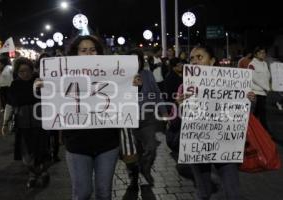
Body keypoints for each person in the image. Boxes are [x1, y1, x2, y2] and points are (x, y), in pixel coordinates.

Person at [175, 45, 255, 200]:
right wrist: (181, 106)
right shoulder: (185, 87)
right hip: (198, 145)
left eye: (200, 57)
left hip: (225, 145)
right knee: (204, 193)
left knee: (234, 193)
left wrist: (250, 101)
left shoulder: (232, 83)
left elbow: (244, 116)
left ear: (211, 61)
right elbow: (180, 122)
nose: (195, 62)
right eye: (192, 58)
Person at [55, 35, 119, 200]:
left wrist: (135, 86)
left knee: (104, 193)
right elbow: (53, 101)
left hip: (107, 143)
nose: (89, 53)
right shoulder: (63, 77)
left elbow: (125, 96)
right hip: (78, 144)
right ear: (75, 54)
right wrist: (42, 87)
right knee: (82, 193)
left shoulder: (112, 74)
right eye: (83, 50)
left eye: (93, 50)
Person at [1, 57, 50, 188]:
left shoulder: (40, 81)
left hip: (41, 123)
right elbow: (10, 105)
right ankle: (33, 174)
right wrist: (5, 122)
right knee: (26, 155)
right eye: (21, 71)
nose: (25, 74)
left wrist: (45, 87)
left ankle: (43, 172)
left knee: (43, 151)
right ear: (17, 72)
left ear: (31, 69)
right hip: (23, 125)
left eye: (27, 70)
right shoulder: (15, 85)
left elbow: (52, 99)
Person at [125, 49, 168, 190]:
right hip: (128, 120)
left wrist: (164, 113)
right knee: (132, 153)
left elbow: (157, 94)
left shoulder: (148, 75)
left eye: (136, 60)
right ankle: (134, 175)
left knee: (151, 147)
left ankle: (145, 168)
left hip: (147, 119)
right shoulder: (122, 76)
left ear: (140, 61)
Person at [248, 46, 270, 130]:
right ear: (256, 54)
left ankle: (253, 132)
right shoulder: (252, 64)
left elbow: (267, 77)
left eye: (264, 52)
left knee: (256, 114)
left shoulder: (265, 64)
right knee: (262, 113)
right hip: (256, 92)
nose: (263, 54)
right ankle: (267, 132)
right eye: (260, 53)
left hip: (263, 92)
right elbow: (255, 78)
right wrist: (267, 87)